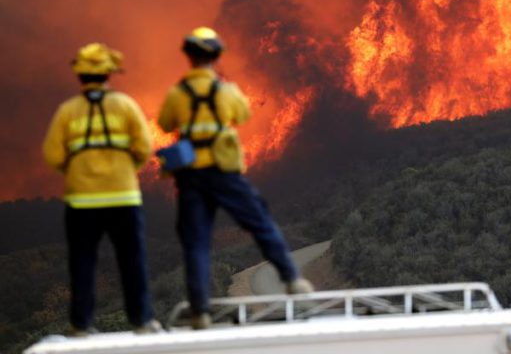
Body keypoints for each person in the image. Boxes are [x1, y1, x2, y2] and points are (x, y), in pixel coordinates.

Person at [157, 27, 313, 330]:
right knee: (260, 223)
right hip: (224, 172)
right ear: (216, 56)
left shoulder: (177, 95)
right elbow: (241, 116)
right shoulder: (226, 92)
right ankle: (293, 281)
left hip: (191, 178)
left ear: (189, 57)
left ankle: (200, 309)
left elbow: (165, 123)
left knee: (197, 243)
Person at [42, 43, 161, 336]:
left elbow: (52, 154)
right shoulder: (125, 105)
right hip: (123, 198)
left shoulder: (67, 111)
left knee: (83, 263)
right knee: (132, 260)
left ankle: (81, 326)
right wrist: (124, 170)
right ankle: (142, 322)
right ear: (109, 74)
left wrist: (75, 172)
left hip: (82, 202)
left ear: (80, 76)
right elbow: (145, 148)